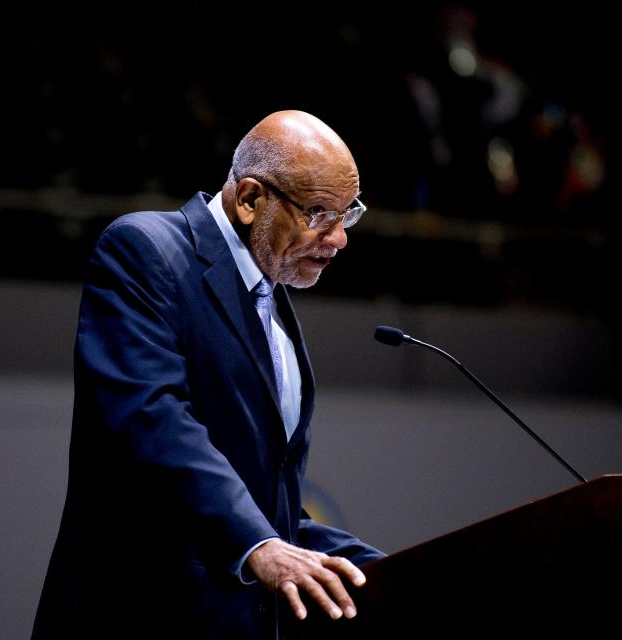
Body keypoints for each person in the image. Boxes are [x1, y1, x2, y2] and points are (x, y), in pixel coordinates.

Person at [32, 110, 385, 640]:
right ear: (248, 200)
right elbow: (151, 421)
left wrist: (381, 567)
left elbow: (267, 505)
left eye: (346, 215)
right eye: (318, 214)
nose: (338, 239)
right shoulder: (146, 250)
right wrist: (260, 546)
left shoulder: (271, 297)